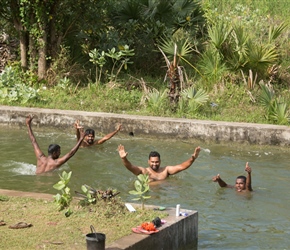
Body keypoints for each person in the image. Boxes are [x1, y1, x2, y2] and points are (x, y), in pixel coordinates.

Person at [117, 144, 201, 182]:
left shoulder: (166, 170)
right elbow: (130, 167)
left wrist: (193, 158)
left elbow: (182, 166)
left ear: (160, 162)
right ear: (148, 162)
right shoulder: (144, 171)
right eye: (152, 162)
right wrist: (124, 158)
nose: (154, 164)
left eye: (156, 162)